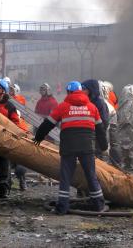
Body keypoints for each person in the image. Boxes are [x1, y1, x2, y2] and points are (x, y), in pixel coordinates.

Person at [34, 81, 108, 214]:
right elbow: (100, 130)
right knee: (91, 175)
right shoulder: (92, 107)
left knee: (66, 177)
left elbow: (48, 124)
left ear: (68, 92)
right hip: (87, 148)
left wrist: (38, 138)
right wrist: (104, 146)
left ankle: (62, 207)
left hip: (68, 147)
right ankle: (99, 204)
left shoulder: (63, 106)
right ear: (81, 92)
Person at [8, 82, 28, 190]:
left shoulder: (19, 99)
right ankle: (9, 181)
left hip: (19, 133)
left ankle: (22, 181)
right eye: (9, 90)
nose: (10, 92)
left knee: (19, 161)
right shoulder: (8, 100)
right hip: (11, 131)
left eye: (12, 90)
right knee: (10, 160)